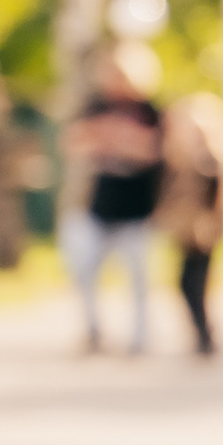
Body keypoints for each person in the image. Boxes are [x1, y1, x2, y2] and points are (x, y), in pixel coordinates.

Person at [60, 44, 166, 356]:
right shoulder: (95, 106)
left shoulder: (150, 111)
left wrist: (120, 141)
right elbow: (75, 142)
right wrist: (116, 140)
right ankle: (92, 330)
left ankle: (141, 335)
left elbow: (154, 152)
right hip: (96, 205)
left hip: (138, 209)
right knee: (83, 269)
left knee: (139, 277)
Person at [158, 92, 223, 357]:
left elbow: (219, 197)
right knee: (185, 283)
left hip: (205, 229)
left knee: (196, 283)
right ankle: (202, 332)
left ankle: (206, 334)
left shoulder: (214, 159)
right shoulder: (180, 158)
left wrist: (213, 222)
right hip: (185, 228)